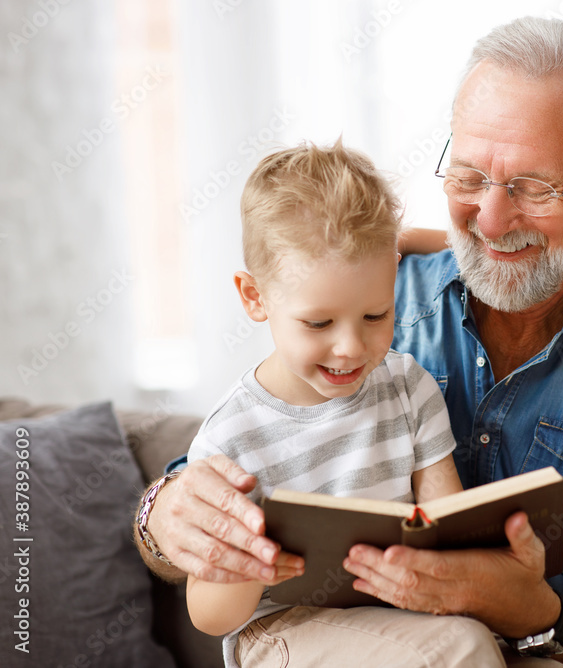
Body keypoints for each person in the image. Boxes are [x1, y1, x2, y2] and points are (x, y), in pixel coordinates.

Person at [134, 17, 563, 666]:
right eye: (467, 178)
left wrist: (531, 609)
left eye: (534, 187)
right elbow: (213, 487)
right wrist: (165, 511)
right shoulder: (364, 297)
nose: (490, 218)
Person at [182, 140, 513, 666]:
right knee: (461, 649)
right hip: (283, 629)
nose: (352, 348)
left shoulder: (407, 388)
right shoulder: (232, 439)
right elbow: (207, 615)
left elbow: (449, 528)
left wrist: (516, 515)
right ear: (254, 297)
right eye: (318, 323)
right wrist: (249, 561)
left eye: (376, 315)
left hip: (400, 614)